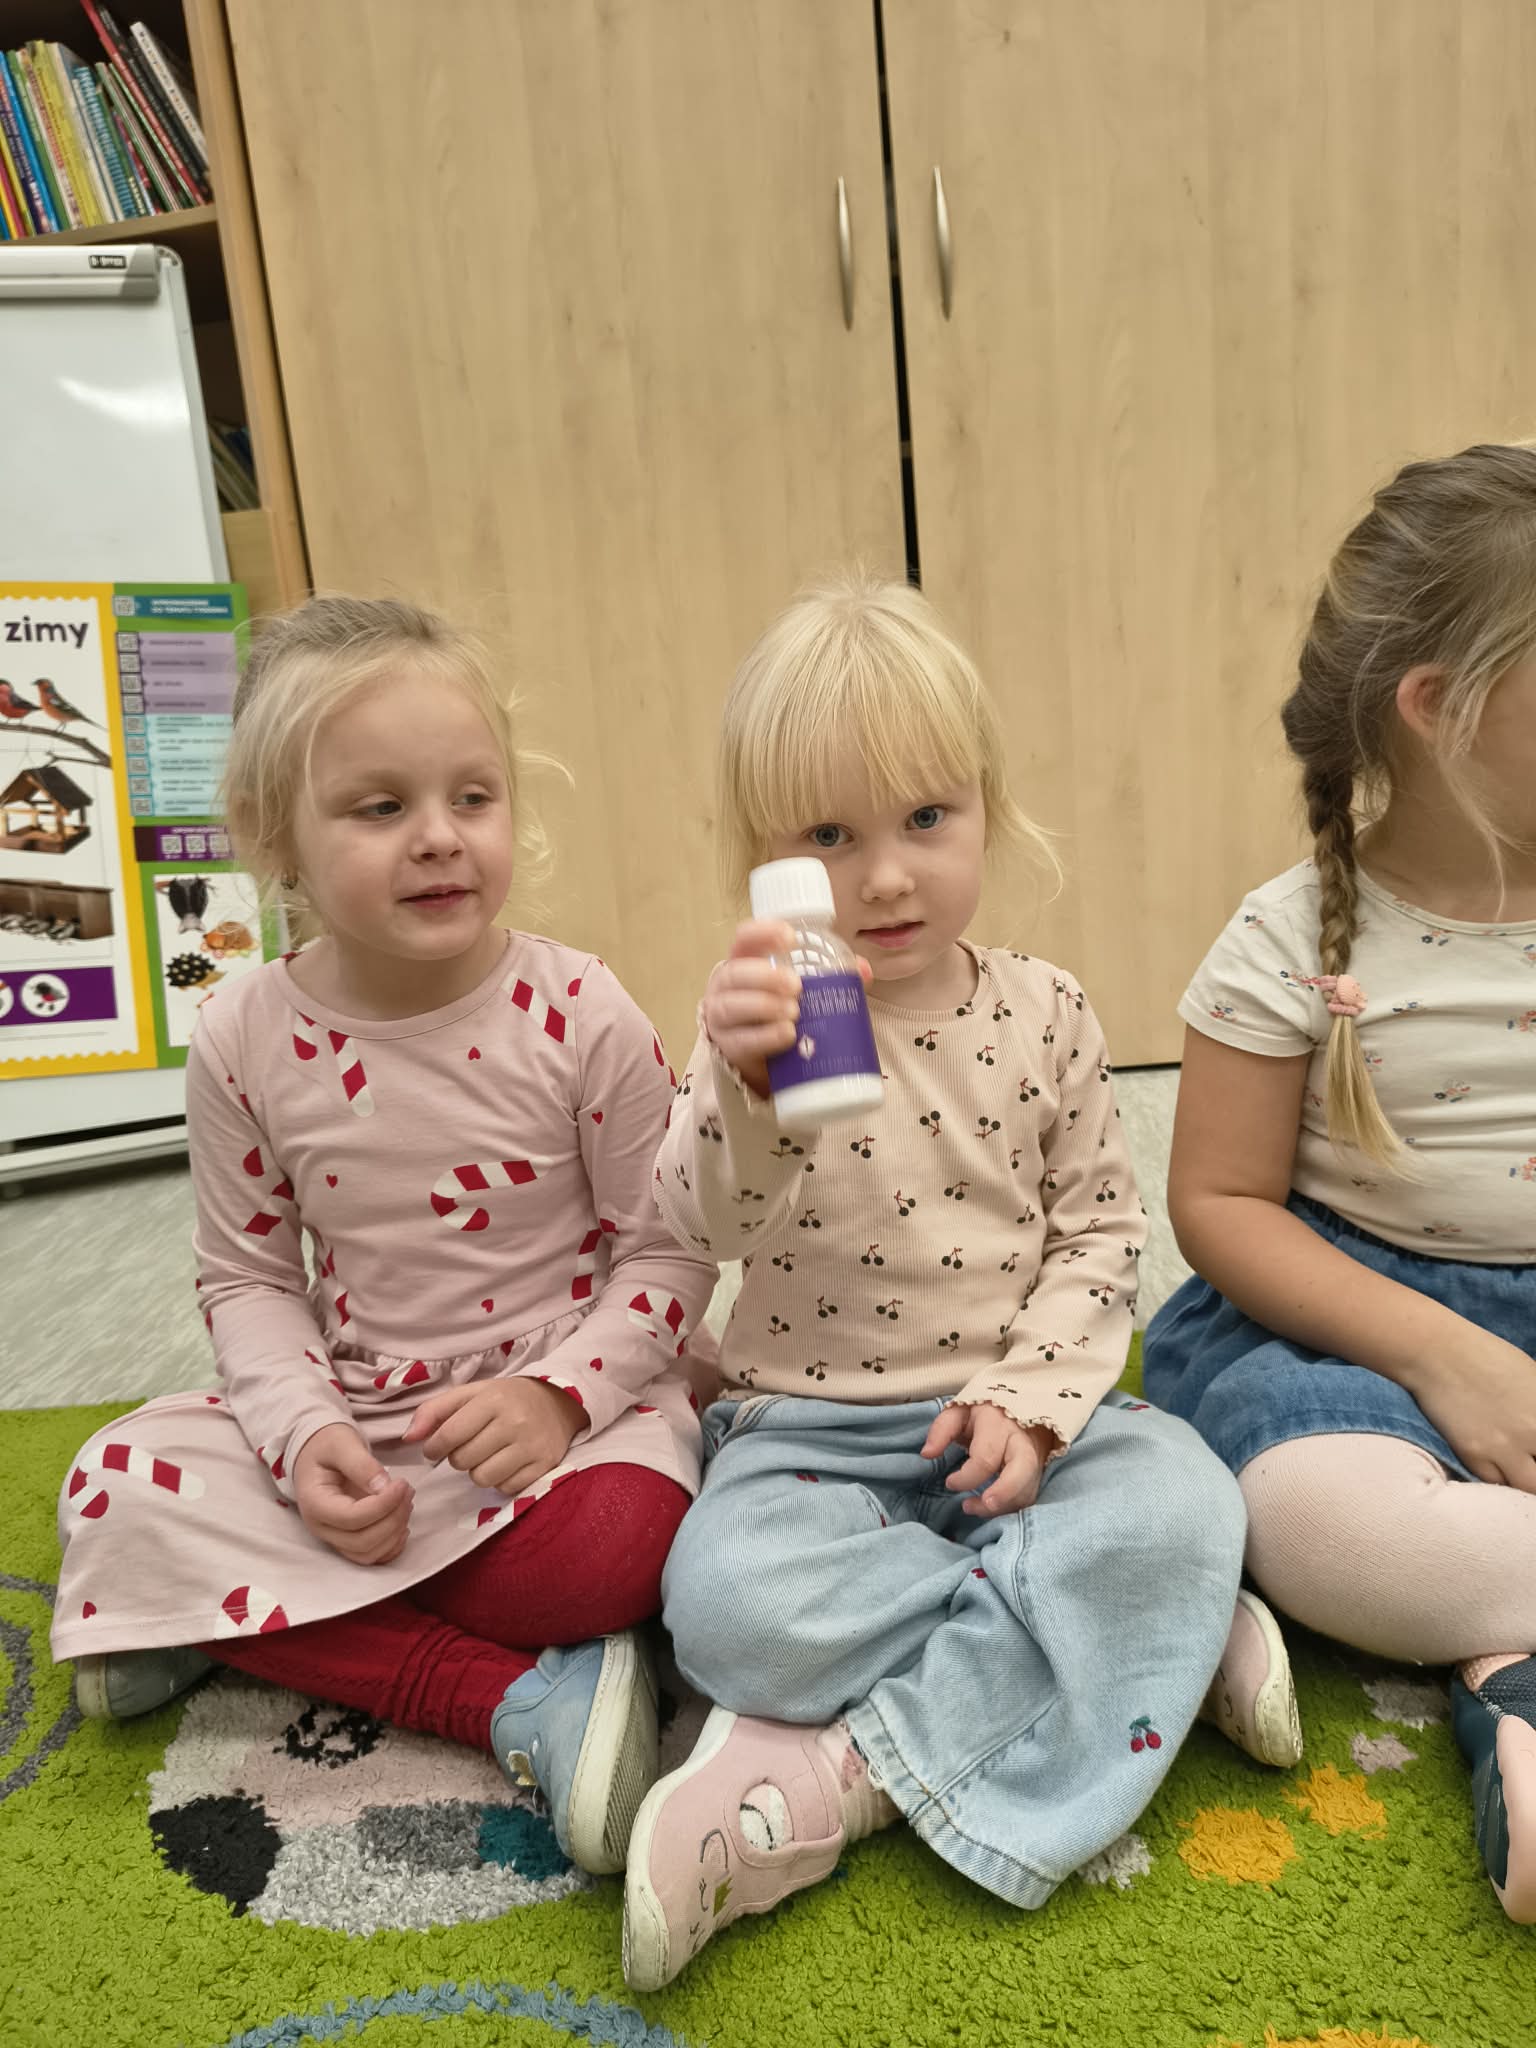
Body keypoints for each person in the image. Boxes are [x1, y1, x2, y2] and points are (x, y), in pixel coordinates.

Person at [620, 572, 1297, 1990]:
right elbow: (697, 1225)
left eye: (927, 817)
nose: (885, 876)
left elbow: (1100, 1235)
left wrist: (1035, 1404)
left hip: (1033, 1428)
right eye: (829, 835)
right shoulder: (763, 1022)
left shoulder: (1046, 1008)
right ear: (761, 857)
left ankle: (853, 1771)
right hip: (813, 1437)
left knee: (1190, 1500)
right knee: (724, 1607)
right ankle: (1128, 1631)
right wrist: (744, 1091)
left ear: (990, 806)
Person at [51, 596, 715, 1877]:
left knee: (624, 1549)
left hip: (569, 1422)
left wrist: (557, 1397)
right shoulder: (241, 1034)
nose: (439, 836)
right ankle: (510, 1697)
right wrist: (305, 1438)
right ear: (273, 836)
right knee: (110, 1484)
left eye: (473, 797)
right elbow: (248, 1278)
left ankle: (240, 1613)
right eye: (379, 806)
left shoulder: (581, 1008)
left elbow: (670, 1253)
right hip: (366, 1426)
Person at [1143, 443, 1536, 1926]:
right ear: (1440, 707)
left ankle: (1508, 1664)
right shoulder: (1287, 936)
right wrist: (1443, 1354)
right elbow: (1219, 1205)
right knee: (1318, 1514)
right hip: (1348, 1323)